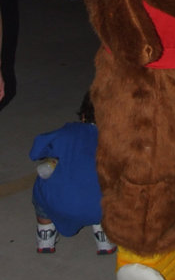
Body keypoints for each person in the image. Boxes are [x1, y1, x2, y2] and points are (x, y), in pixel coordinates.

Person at [30, 91, 115, 255]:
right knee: (107, 187)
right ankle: (104, 235)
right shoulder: (118, 140)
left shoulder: (68, 131)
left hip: (60, 204)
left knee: (42, 179)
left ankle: (45, 235)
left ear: (83, 116)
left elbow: (35, 152)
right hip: (102, 207)